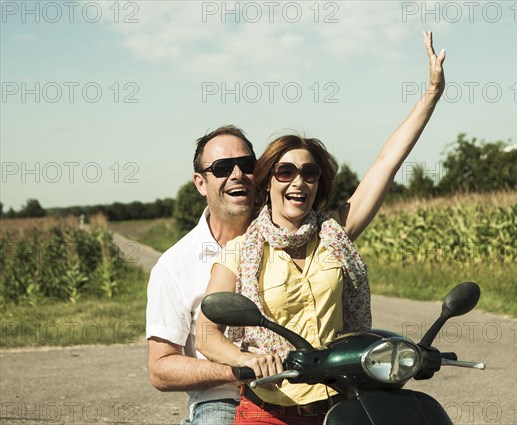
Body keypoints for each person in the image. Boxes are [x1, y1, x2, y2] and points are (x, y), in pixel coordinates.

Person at [196, 32, 446, 425]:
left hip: (340, 403)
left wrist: (430, 96)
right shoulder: (241, 251)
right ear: (267, 181)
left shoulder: (335, 235)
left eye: (309, 173)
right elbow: (206, 334)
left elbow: (385, 164)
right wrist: (249, 359)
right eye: (285, 171)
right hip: (268, 410)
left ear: (318, 183)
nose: (298, 181)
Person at [146, 125, 258, 425]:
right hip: (223, 400)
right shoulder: (173, 266)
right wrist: (241, 370)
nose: (237, 174)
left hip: (299, 393)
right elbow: (161, 368)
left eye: (247, 165)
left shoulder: (286, 236)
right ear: (200, 183)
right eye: (222, 168)